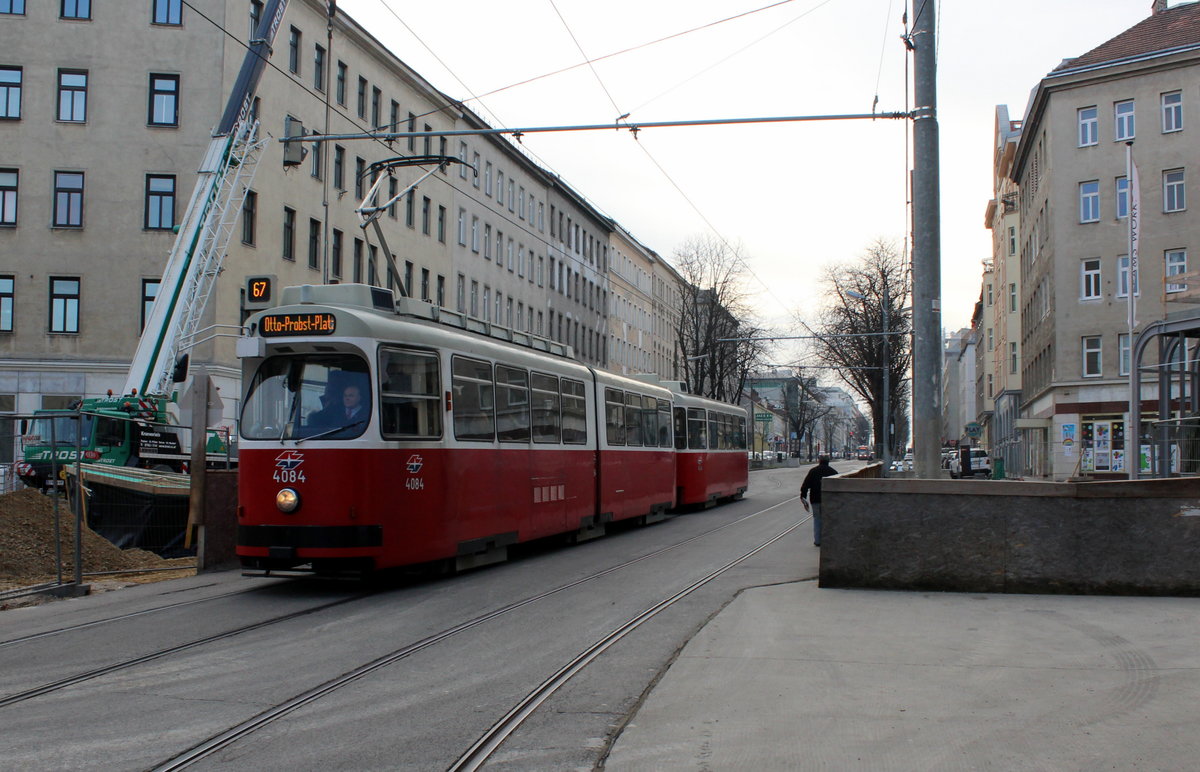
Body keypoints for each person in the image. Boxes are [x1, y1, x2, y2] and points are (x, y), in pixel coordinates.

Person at [800, 455, 838, 547]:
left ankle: (818, 541)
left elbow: (805, 486)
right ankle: (828, 539)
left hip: (815, 499)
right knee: (828, 519)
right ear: (828, 461)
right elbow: (838, 486)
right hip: (828, 499)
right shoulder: (833, 472)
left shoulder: (813, 471)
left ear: (819, 461)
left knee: (817, 519)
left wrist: (803, 496)